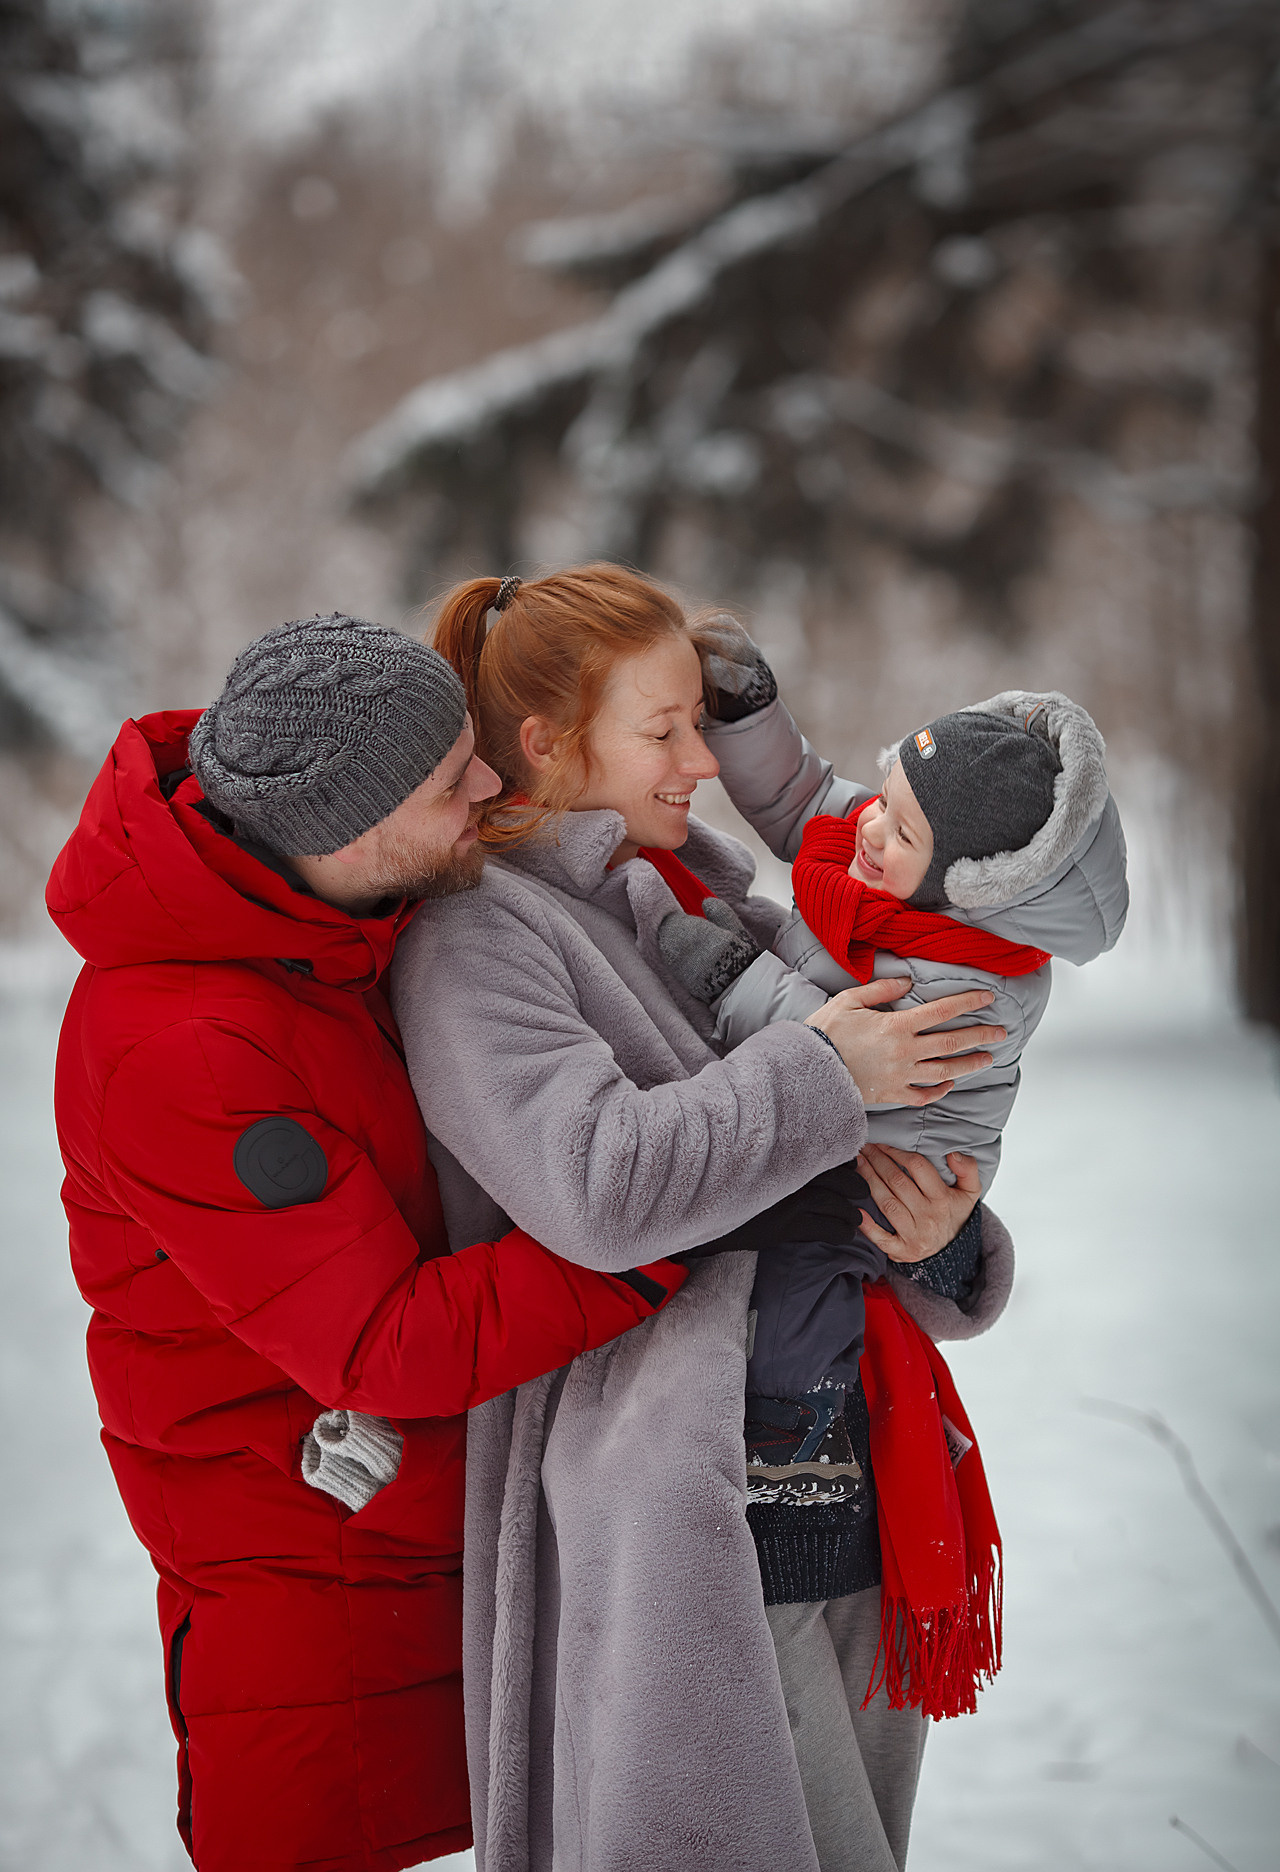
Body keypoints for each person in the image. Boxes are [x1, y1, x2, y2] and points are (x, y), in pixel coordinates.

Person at [46, 614, 696, 1872]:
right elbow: (384, 1343)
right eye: (453, 780)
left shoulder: (329, 927)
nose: (490, 785)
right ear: (347, 828)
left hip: (428, 1546)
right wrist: (657, 1220)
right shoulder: (190, 1047)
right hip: (326, 1616)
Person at [389, 565, 1015, 1872]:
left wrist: (941, 1231)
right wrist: (826, 1069)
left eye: (700, 724)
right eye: (663, 731)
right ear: (548, 744)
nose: (701, 763)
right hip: (681, 1505)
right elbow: (594, 1186)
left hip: (857, 1472)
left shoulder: (709, 905)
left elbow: (841, 1158)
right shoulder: (482, 939)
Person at [656, 665, 1128, 1506]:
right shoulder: (903, 860)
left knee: (797, 1297)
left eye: (900, 829)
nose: (869, 826)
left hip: (879, 1186)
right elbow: (809, 801)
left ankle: (792, 1458)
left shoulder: (965, 984)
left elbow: (849, 1049)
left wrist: (733, 979)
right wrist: (748, 715)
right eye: (883, 795)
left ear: (968, 882)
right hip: (826, 1141)